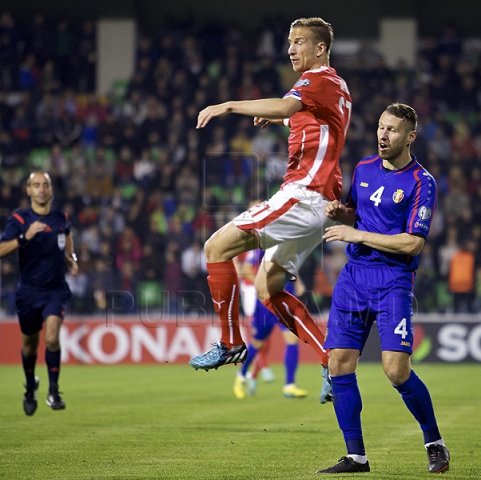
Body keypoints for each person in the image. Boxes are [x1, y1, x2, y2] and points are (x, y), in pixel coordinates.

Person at [189, 17, 352, 405]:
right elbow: (311, 120)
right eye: (290, 43)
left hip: (304, 195)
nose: (292, 49)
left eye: (299, 42)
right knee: (267, 287)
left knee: (215, 248)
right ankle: (329, 361)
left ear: (320, 49)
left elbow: (288, 103)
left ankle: (230, 342)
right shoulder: (337, 87)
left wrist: (228, 105)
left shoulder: (318, 79)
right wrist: (284, 117)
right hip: (321, 203)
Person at [318, 104, 450, 474]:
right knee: (338, 364)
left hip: (392, 280)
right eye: (380, 127)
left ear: (410, 137)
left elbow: (413, 244)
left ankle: (434, 442)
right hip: (355, 276)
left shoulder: (422, 182)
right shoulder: (363, 168)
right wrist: (338, 212)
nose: (383, 135)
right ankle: (356, 456)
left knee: (395, 370)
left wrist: (355, 232)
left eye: (392, 130)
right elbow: (356, 214)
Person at [0, 171, 78, 416]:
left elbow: (67, 236)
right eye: (36, 185)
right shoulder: (19, 219)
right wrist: (25, 237)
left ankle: (54, 391)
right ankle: (30, 386)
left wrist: (71, 259)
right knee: (29, 347)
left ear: (51, 190)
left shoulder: (60, 217)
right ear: (28, 190)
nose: (41, 189)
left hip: (55, 290)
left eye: (46, 185)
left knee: (52, 337)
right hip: (29, 292)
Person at [233, 248, 307, 399]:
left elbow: (289, 265)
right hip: (265, 303)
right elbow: (246, 269)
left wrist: (298, 282)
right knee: (258, 343)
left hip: (285, 298)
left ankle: (289, 385)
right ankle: (241, 375)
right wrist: (264, 287)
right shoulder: (261, 247)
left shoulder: (287, 243)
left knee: (292, 339)